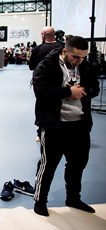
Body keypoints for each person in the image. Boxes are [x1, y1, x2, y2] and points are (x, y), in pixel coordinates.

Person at [32, 36, 99, 216]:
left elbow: (95, 88)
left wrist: (82, 92)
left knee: (77, 164)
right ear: (64, 51)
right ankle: (40, 200)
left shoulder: (85, 65)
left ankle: (73, 198)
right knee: (48, 165)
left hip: (80, 124)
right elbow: (41, 92)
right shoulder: (46, 66)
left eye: (83, 57)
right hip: (54, 124)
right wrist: (68, 92)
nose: (79, 61)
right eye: (75, 57)